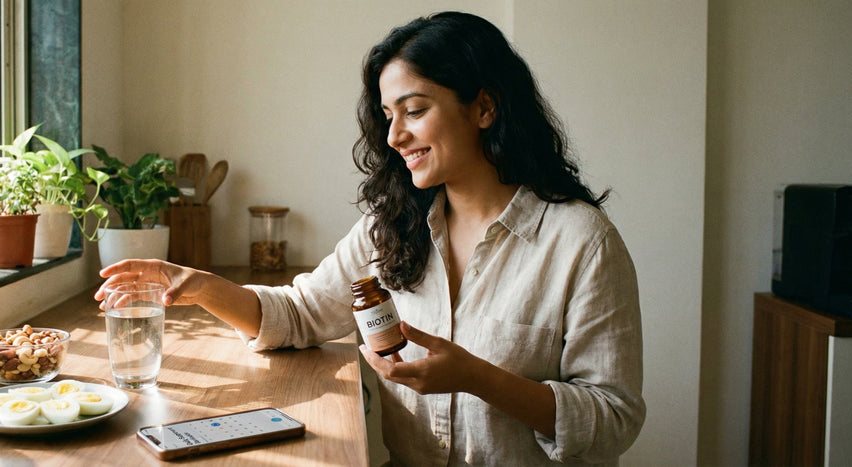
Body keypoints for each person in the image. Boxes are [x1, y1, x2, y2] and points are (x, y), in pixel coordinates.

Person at [95, 11, 644, 465]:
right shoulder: (395, 225)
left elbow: (614, 418)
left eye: (415, 110)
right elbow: (302, 314)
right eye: (387, 115)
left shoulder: (581, 241)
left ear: (484, 106)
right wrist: (200, 287)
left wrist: (477, 378)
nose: (394, 135)